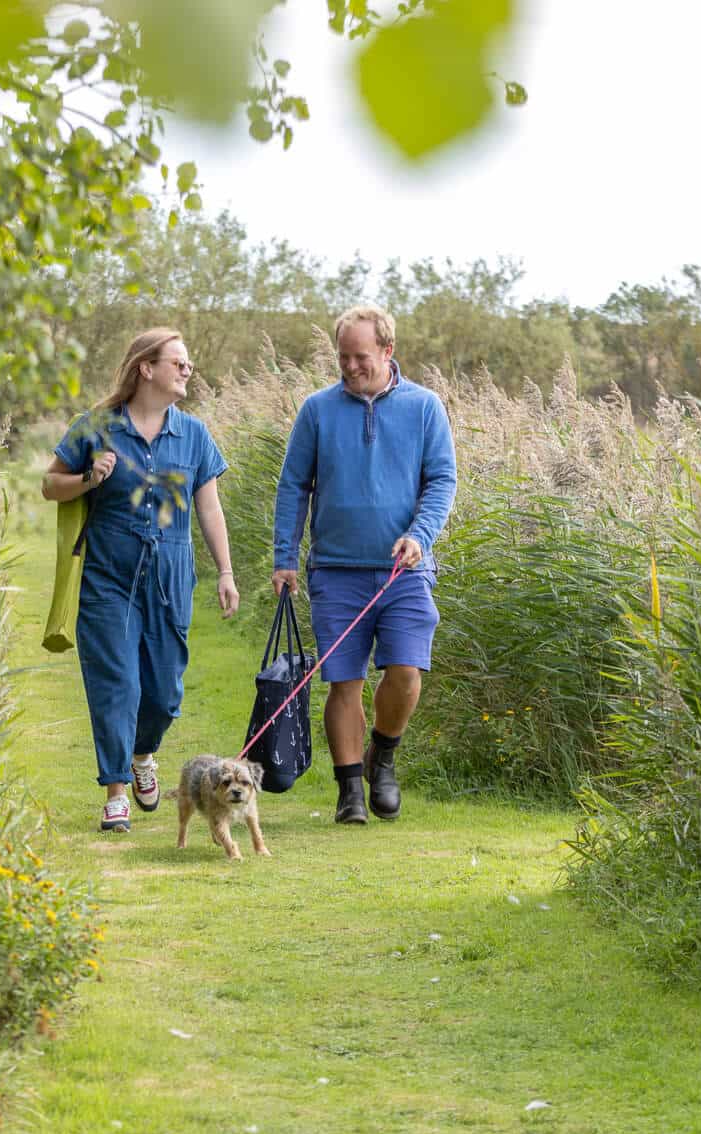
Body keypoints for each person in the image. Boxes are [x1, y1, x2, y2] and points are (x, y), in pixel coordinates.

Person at [44, 329, 239, 832]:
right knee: (118, 685)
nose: (187, 370)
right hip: (108, 578)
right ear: (146, 368)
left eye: (189, 363)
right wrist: (88, 479)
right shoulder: (96, 427)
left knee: (163, 693)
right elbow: (51, 484)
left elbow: (210, 507)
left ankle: (143, 753)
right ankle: (115, 792)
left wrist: (226, 570)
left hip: (171, 576)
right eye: (178, 362)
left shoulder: (193, 434)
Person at [271, 305, 457, 825]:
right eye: (342, 357)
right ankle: (350, 789)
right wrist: (285, 558)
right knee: (344, 681)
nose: (350, 366)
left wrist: (420, 536)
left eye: (361, 356)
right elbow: (293, 486)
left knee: (405, 672)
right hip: (334, 569)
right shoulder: (317, 410)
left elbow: (442, 480)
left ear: (388, 351)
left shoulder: (425, 408)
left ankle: (384, 756)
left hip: (405, 572)